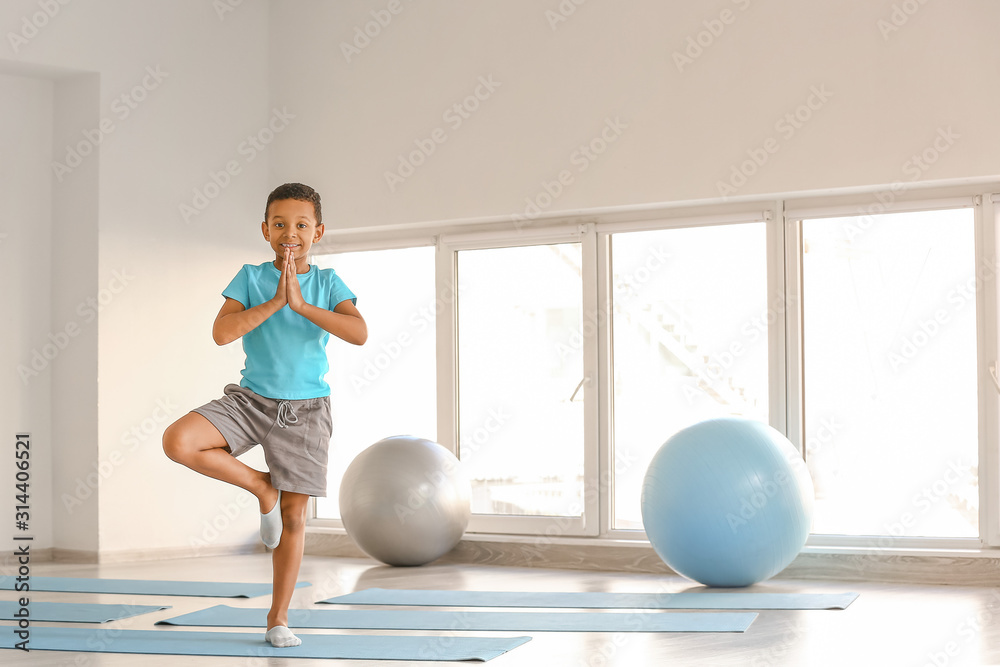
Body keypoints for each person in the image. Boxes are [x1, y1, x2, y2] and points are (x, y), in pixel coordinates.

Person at [162, 182, 367, 647]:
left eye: (300, 224)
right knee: (179, 441)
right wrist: (275, 301)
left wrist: (300, 305)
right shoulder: (251, 278)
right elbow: (221, 333)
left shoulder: (329, 283)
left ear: (318, 231)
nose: (289, 232)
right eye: (279, 224)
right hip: (250, 400)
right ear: (265, 229)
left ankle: (278, 619)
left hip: (307, 410)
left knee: (294, 521)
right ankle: (260, 486)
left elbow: (358, 333)